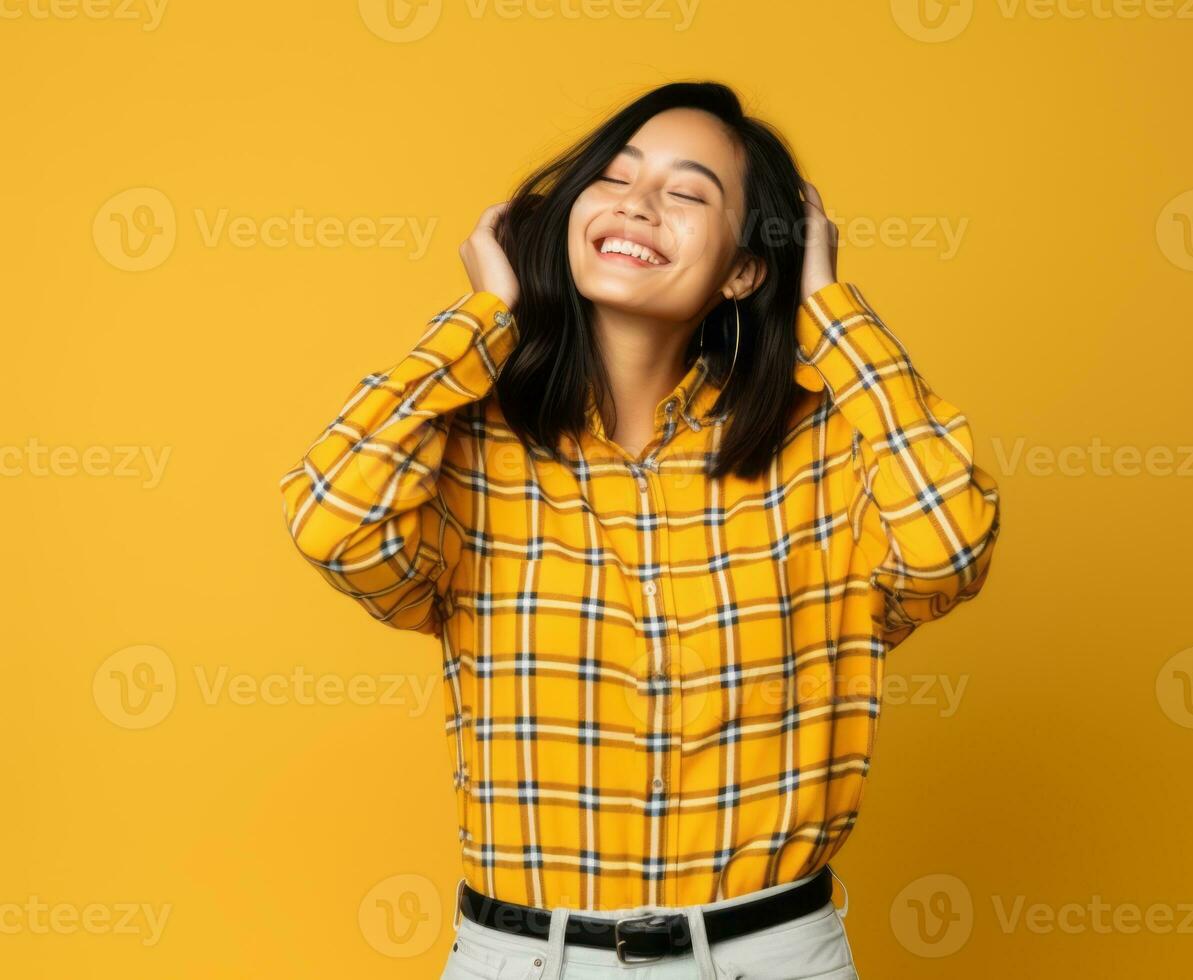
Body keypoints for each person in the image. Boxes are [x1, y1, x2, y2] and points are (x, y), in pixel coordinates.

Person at [279, 80, 1001, 979]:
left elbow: (949, 545)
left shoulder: (821, 446)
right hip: (526, 959)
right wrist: (483, 317)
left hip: (768, 957)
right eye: (614, 178)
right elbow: (329, 524)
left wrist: (830, 308)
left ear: (743, 268)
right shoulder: (467, 445)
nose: (637, 205)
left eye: (688, 192)